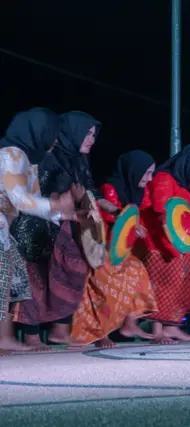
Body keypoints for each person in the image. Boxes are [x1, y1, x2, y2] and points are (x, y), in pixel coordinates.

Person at [16, 111, 102, 347]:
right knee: (35, 278)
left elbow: (88, 190)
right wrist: (66, 199)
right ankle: (32, 335)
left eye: (94, 135)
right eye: (88, 133)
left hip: (62, 223)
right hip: (34, 225)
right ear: (74, 132)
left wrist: (101, 205)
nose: (92, 139)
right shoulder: (48, 156)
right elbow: (38, 192)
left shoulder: (78, 160)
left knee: (70, 272)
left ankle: (60, 330)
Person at [0, 109, 77, 354]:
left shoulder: (29, 162)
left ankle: (4, 338)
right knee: (6, 278)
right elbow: (20, 200)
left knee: (12, 279)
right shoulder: (11, 155)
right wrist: (57, 205)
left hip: (4, 228)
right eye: (52, 134)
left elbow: (33, 202)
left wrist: (64, 214)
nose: (55, 140)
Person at [70, 150, 159, 348]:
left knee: (138, 269)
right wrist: (128, 225)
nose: (150, 178)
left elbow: (135, 216)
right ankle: (101, 333)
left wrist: (135, 226)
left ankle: (130, 324)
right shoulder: (110, 189)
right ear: (134, 170)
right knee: (105, 278)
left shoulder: (138, 192)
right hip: (99, 248)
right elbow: (102, 222)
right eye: (147, 173)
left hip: (121, 250)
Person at [137, 143, 190, 344]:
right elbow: (161, 213)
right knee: (162, 279)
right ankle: (156, 331)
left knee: (185, 277)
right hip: (156, 236)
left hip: (179, 238)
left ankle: (171, 326)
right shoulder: (164, 178)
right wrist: (172, 245)